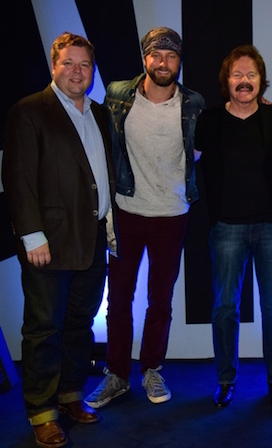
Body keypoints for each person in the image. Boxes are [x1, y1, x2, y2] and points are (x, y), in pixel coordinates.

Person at [2, 32, 115, 448]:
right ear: (54, 65)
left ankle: (69, 395)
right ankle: (41, 411)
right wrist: (32, 235)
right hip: (47, 243)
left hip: (93, 239)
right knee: (44, 328)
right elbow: (18, 179)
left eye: (84, 64)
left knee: (80, 325)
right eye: (68, 63)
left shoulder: (100, 114)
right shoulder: (30, 111)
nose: (77, 71)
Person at [85, 27, 205, 408]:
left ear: (179, 61)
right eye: (157, 55)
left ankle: (152, 369)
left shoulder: (193, 103)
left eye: (171, 56)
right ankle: (117, 375)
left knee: (160, 300)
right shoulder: (118, 95)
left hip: (173, 213)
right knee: (118, 299)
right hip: (126, 211)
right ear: (145, 59)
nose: (164, 62)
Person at [194, 44, 272, 409]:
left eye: (251, 75)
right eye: (237, 74)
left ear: (261, 82)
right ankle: (225, 380)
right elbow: (183, 158)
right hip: (226, 228)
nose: (244, 81)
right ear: (226, 81)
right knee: (224, 308)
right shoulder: (208, 121)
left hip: (270, 227)